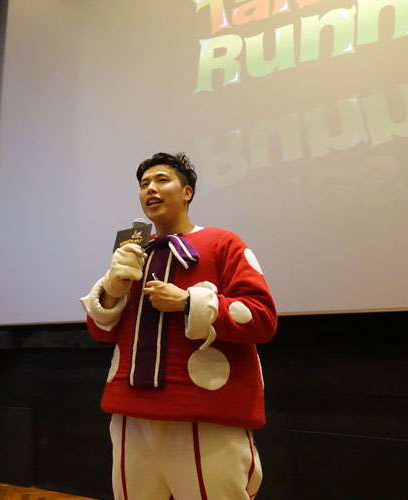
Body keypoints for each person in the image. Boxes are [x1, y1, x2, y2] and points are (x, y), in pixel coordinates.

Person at [80, 152, 278, 499]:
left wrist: (188, 302)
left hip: (204, 415)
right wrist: (112, 288)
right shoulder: (132, 251)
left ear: (187, 192)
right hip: (130, 416)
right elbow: (100, 331)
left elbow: (262, 317)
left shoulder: (223, 242)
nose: (150, 189)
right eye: (144, 184)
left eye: (162, 180)